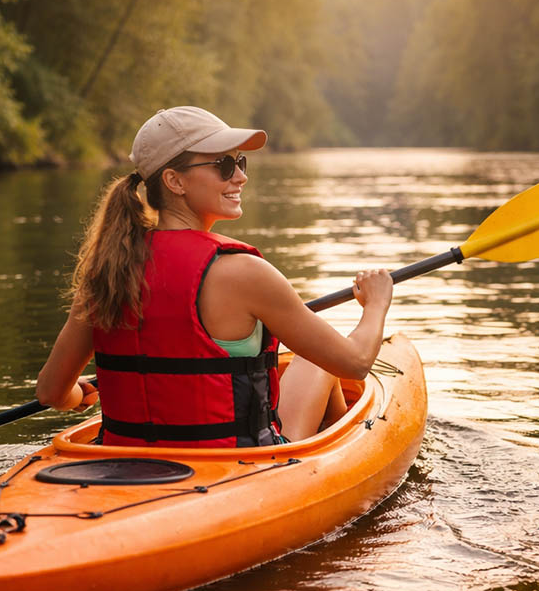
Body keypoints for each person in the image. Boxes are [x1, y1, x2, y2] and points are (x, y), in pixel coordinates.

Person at [36, 106, 392, 446]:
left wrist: (77, 394)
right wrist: (375, 303)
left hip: (122, 459)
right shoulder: (244, 272)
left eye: (239, 162)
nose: (241, 176)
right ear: (174, 181)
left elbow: (51, 392)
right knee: (317, 362)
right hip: (234, 465)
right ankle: (333, 457)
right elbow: (356, 363)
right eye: (223, 165)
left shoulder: (108, 268)